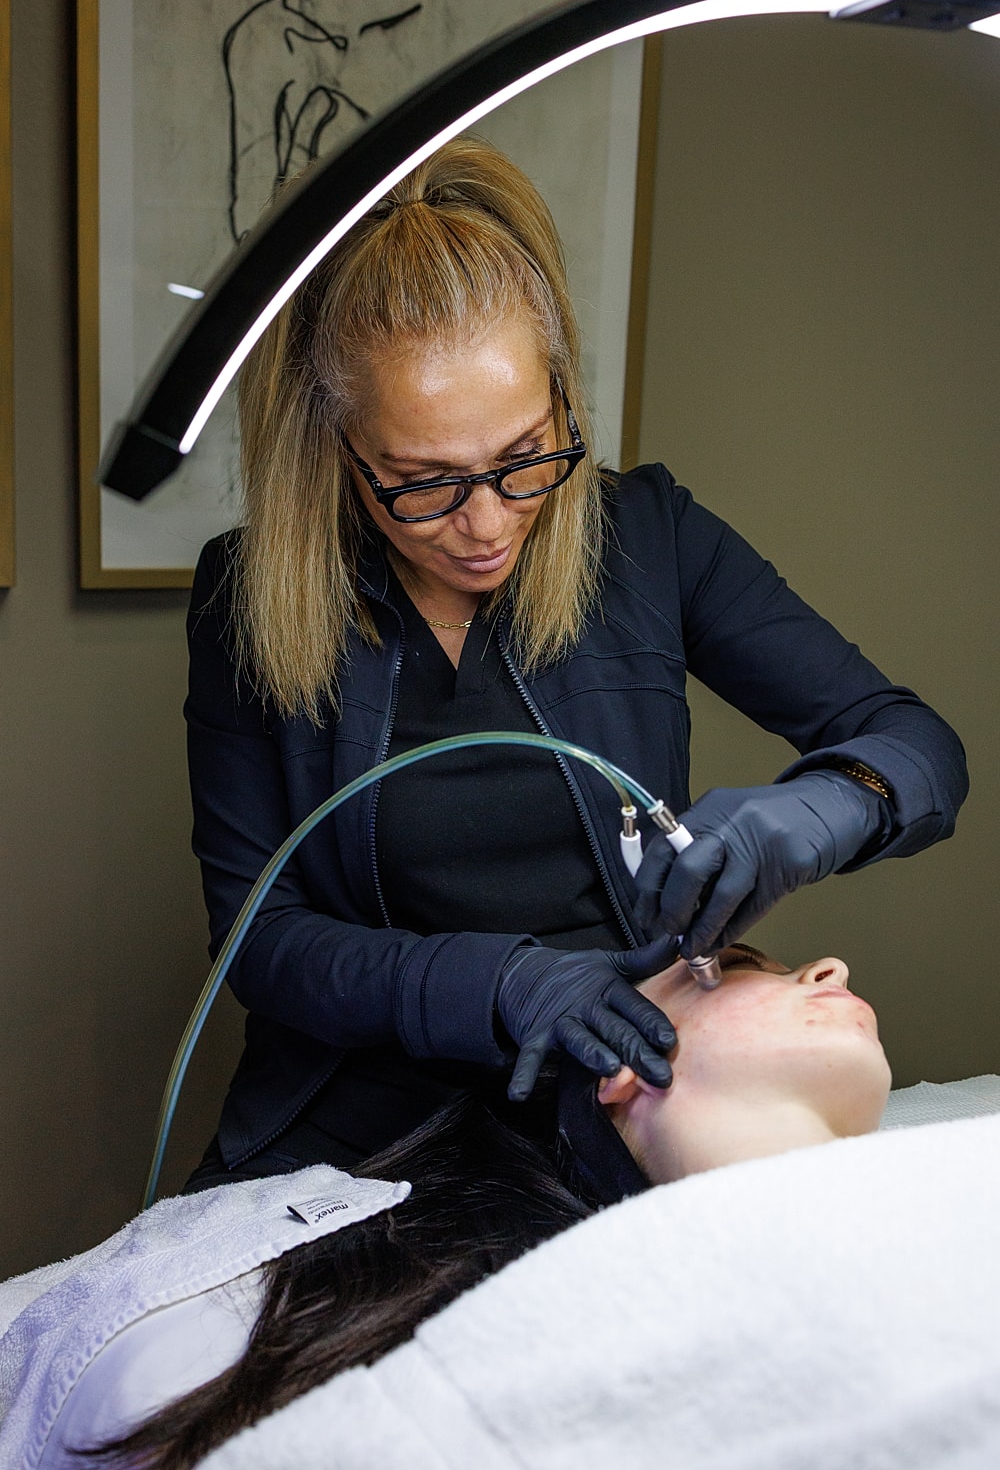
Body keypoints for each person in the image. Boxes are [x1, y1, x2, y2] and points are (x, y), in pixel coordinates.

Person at [184, 131, 967, 1190]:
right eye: (422, 483)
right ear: (336, 448)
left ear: (560, 397)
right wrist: (492, 984)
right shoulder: (251, 598)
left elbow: (917, 747)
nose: (487, 526)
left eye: (524, 459)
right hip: (350, 1130)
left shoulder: (648, 536)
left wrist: (829, 808)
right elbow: (260, 943)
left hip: (611, 1099)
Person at [0, 943, 895, 1470]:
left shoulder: (958, 1213)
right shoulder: (291, 1259)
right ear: (619, 1067)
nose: (833, 963)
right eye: (730, 966)